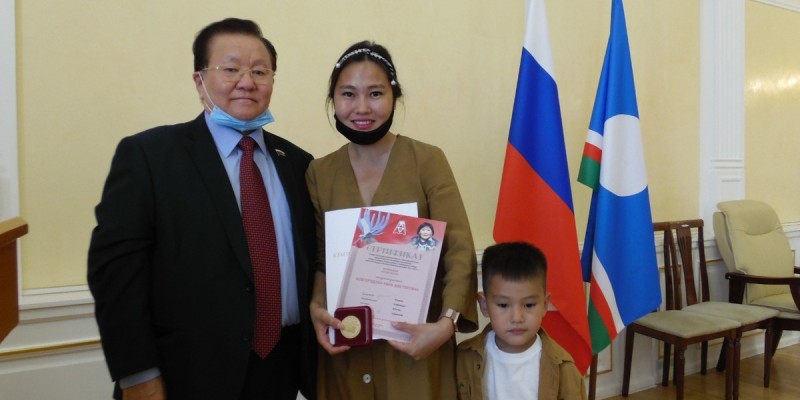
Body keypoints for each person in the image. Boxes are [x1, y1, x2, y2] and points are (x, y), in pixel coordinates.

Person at [87, 18, 317, 400]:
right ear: (200, 81)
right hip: (184, 375)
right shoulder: (149, 157)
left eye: (260, 71)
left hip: (281, 369)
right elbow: (116, 277)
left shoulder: (298, 163)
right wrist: (137, 375)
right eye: (230, 69)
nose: (247, 82)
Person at [305, 41, 479, 399]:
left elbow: (458, 249)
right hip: (348, 348)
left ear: (395, 96)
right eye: (348, 94)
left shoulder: (426, 160)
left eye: (375, 93)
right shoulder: (319, 172)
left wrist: (445, 325)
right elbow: (322, 261)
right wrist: (317, 308)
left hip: (417, 346)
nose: (362, 107)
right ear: (333, 99)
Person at [456, 242, 586, 400]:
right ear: (484, 305)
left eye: (529, 305)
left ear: (545, 304)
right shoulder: (463, 359)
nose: (517, 318)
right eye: (503, 305)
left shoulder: (564, 370)